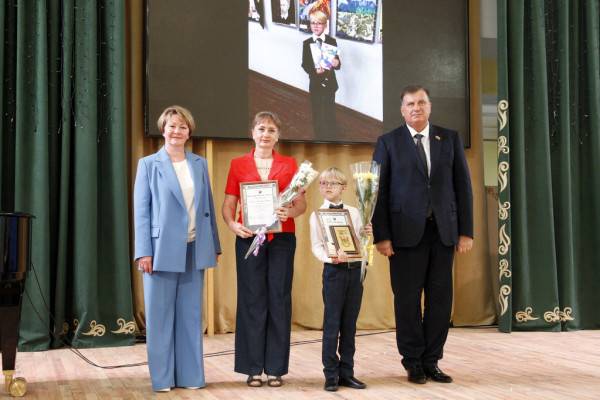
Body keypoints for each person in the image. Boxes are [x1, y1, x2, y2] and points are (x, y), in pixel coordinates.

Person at [372, 86, 473, 384]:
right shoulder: (387, 142)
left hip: (443, 234)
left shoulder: (449, 138)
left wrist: (465, 231)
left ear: (429, 107)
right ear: (402, 109)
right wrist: (382, 236)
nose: (416, 107)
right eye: (410, 103)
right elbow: (378, 192)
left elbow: (462, 188)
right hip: (403, 237)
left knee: (440, 300)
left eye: (421, 102)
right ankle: (413, 361)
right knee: (407, 300)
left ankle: (432, 361)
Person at [133, 105, 221, 392]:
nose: (177, 131)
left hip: (195, 249)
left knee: (190, 317)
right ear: (163, 129)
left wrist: (214, 245)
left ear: (189, 132)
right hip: (159, 252)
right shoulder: (148, 164)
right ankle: (163, 380)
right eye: (172, 125)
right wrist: (143, 251)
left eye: (182, 126)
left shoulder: (199, 163)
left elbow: (206, 205)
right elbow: (141, 212)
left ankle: (191, 377)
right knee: (159, 320)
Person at [222, 111, 307, 388]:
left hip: (282, 239)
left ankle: (275, 369)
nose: (266, 134)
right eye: (261, 129)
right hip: (249, 239)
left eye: (271, 130)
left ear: (278, 135)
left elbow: (301, 205)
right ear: (253, 133)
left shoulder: (290, 164)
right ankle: (252, 367)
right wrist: (234, 226)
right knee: (252, 300)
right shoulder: (237, 164)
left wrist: (289, 210)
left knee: (279, 300)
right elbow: (228, 205)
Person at [309, 167, 370, 392]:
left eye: (333, 184)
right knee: (332, 324)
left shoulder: (355, 212)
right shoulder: (316, 215)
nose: (328, 187)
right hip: (333, 272)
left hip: (354, 271)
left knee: (349, 325)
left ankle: (347, 373)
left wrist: (366, 234)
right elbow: (316, 246)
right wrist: (330, 257)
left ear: (343, 188)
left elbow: (359, 243)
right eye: (324, 183)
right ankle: (331, 375)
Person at [301, 9, 341, 139]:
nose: (316, 26)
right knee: (316, 110)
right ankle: (318, 135)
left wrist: (336, 63)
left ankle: (332, 135)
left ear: (325, 25)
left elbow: (338, 64)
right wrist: (314, 71)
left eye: (319, 23)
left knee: (330, 109)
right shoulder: (306, 43)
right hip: (315, 83)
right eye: (313, 23)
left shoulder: (332, 41)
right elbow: (305, 64)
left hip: (330, 83)